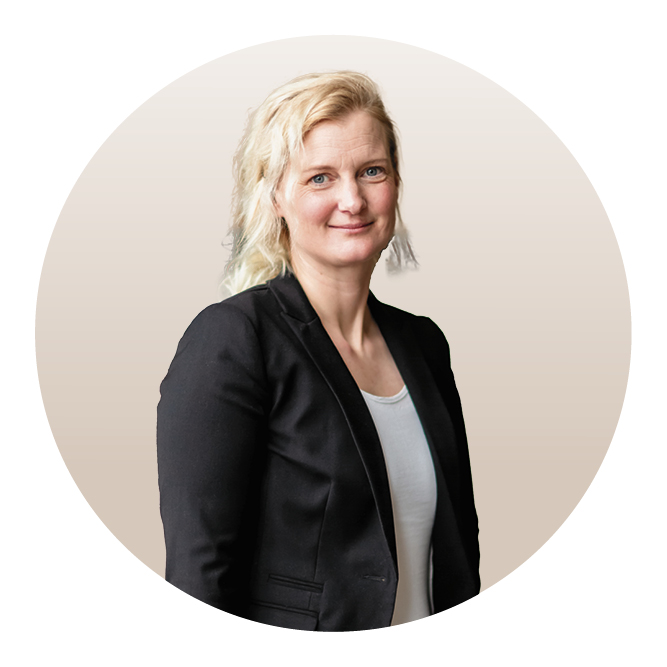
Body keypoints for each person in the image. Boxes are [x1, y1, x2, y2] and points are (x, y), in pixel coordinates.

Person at [157, 71, 480, 632]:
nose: (352, 200)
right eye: (320, 178)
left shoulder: (425, 345)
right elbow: (198, 575)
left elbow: (458, 554)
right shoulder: (234, 339)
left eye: (372, 171)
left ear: (396, 183)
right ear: (275, 196)